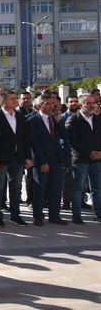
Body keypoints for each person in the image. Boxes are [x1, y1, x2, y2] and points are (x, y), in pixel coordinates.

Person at [28, 93, 70, 226]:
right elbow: (34, 143)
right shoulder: (33, 121)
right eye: (48, 103)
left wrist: (58, 121)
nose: (52, 106)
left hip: (56, 160)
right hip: (42, 161)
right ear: (40, 105)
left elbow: (64, 136)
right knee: (40, 189)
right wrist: (42, 162)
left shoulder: (55, 119)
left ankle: (54, 215)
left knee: (56, 189)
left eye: (53, 103)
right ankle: (38, 216)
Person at [0, 90, 31, 227]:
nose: (15, 101)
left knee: (16, 187)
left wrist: (27, 157)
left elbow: (25, 139)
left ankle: (15, 215)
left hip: (18, 159)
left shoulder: (20, 117)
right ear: (4, 101)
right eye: (12, 98)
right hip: (1, 159)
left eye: (15, 98)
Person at [65, 93, 101, 224]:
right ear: (81, 105)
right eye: (88, 103)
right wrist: (89, 153)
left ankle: (98, 214)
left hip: (97, 160)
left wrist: (99, 153)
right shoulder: (73, 120)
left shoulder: (97, 119)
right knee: (78, 189)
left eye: (93, 103)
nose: (92, 105)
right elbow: (73, 142)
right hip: (80, 161)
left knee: (97, 188)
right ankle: (76, 216)